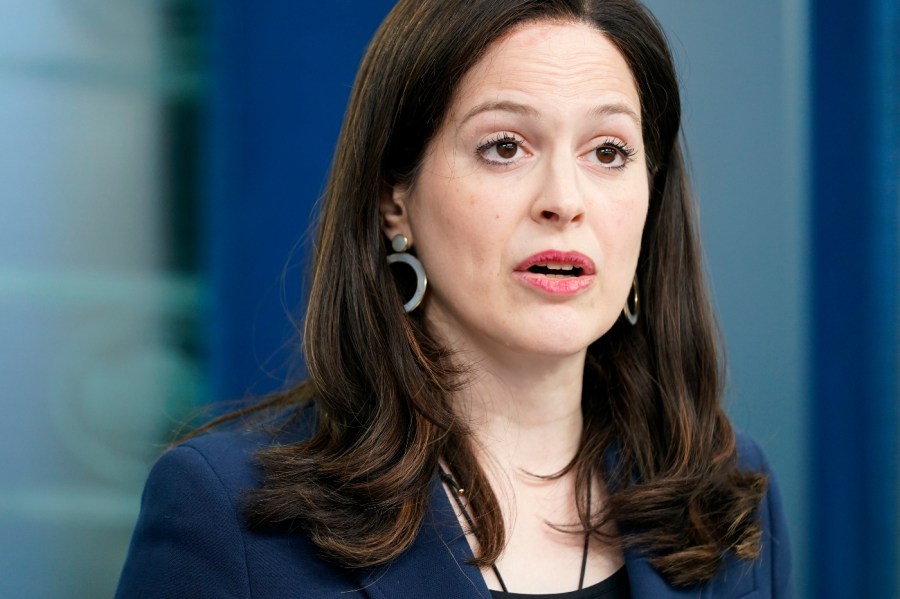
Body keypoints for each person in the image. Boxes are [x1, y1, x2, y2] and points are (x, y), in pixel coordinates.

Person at [116, 0, 792, 597]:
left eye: (608, 152)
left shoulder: (729, 500)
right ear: (394, 200)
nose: (564, 200)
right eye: (505, 146)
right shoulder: (228, 512)